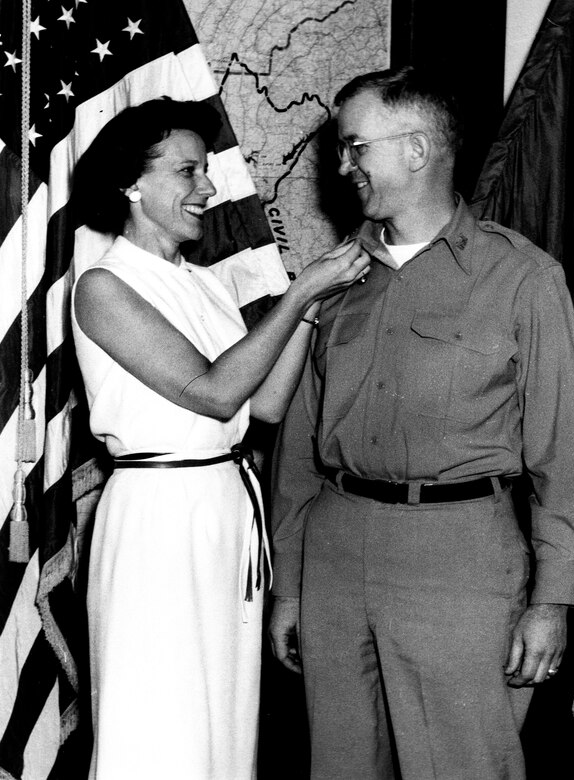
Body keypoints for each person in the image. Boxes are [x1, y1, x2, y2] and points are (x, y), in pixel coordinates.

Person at [268, 66, 574, 779]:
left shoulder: (522, 278)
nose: (341, 164)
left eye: (355, 147)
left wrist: (553, 599)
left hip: (459, 560)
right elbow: (296, 448)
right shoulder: (334, 279)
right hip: (334, 551)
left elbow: (563, 456)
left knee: (463, 767)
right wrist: (291, 586)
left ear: (416, 150)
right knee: (342, 766)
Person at [70, 97, 369, 780]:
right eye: (188, 172)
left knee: (221, 720)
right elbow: (211, 392)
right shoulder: (104, 287)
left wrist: (310, 308)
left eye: (205, 171)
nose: (207, 189)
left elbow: (261, 405)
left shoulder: (202, 283)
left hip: (223, 510)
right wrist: (295, 298)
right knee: (159, 716)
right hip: (159, 516)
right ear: (131, 184)